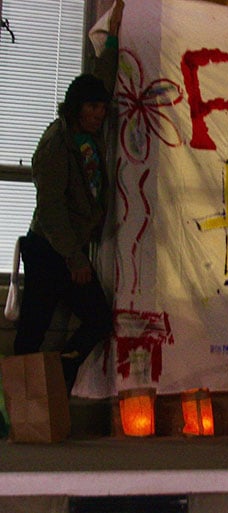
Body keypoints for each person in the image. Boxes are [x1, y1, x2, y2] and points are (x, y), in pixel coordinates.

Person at [13, 0, 125, 394]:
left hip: (68, 248)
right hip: (49, 251)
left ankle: (61, 372)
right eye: (93, 108)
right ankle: (14, 405)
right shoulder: (56, 144)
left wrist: (113, 35)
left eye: (101, 107)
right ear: (78, 109)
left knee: (96, 319)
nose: (100, 113)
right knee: (32, 331)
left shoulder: (88, 132)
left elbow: (103, 78)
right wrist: (75, 259)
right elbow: (51, 208)